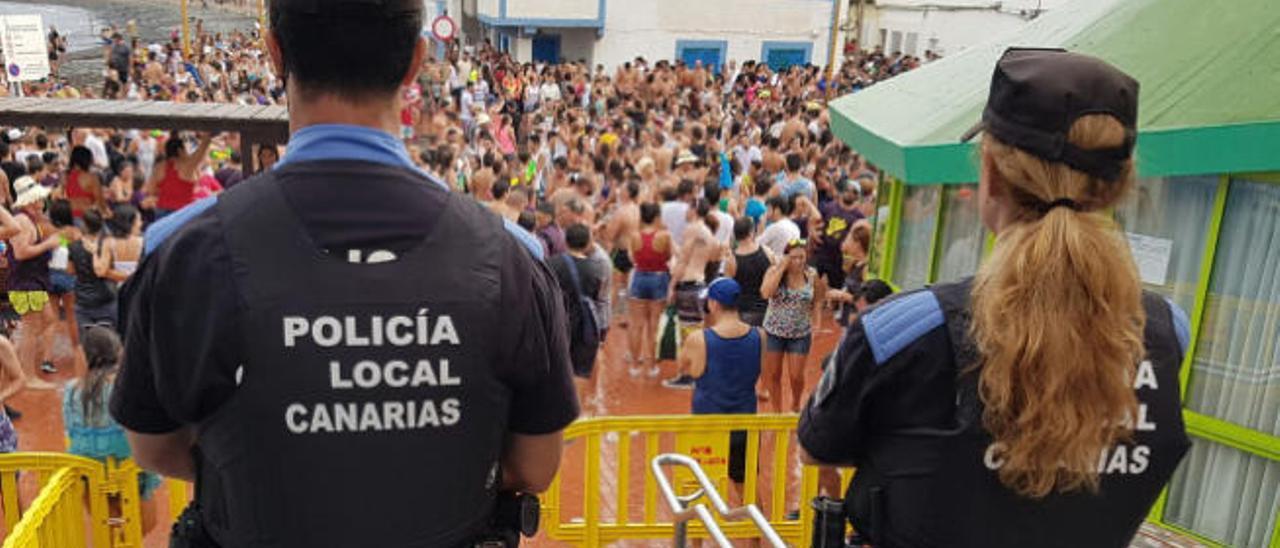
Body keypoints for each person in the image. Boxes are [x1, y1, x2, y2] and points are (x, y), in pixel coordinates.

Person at [110, 1, 578, 545]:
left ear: (274, 52)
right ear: (415, 61)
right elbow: (536, 467)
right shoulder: (512, 258)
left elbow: (154, 447)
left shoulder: (183, 252)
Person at [798, 49, 1191, 547]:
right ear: (1118, 188)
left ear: (992, 174)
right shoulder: (1165, 329)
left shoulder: (907, 329)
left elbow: (818, 447)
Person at [63, 327, 160, 534]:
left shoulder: (71, 391)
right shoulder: (129, 387)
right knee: (145, 523)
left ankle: (118, 534)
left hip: (90, 473)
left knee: (108, 525)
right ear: (119, 353)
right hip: (130, 470)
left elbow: (70, 431)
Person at [679, 278, 765, 501]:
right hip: (744, 424)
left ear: (714, 304)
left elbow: (685, 367)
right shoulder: (759, 336)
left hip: (707, 425)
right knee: (747, 488)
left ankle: (696, 537)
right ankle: (755, 535)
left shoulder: (699, 339)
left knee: (698, 492)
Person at [9, 177, 64, 388]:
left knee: (48, 319)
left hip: (34, 281)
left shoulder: (30, 219)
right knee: (31, 328)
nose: (41, 203)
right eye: (38, 200)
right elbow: (21, 252)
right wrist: (48, 244)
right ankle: (28, 376)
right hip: (26, 282)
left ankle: (13, 354)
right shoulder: (22, 220)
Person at [760, 239, 825, 412]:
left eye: (802, 257)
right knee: (774, 374)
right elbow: (766, 293)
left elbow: (818, 300)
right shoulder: (774, 271)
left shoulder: (811, 275)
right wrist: (781, 267)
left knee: (796, 375)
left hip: (800, 332)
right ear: (786, 257)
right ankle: (777, 411)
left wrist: (817, 324)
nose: (798, 261)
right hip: (774, 331)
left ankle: (796, 403)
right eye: (794, 257)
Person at [663, 200, 722, 389]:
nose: (686, 212)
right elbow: (714, 257)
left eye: (689, 208)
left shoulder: (692, 229)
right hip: (700, 285)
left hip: (687, 286)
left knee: (688, 335)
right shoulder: (708, 233)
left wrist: (671, 286)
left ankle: (688, 376)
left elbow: (682, 261)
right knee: (696, 331)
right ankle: (698, 373)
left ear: (695, 210)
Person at [550, 224, 605, 408]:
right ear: (588, 243)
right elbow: (598, 298)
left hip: (558, 321)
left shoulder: (552, 263)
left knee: (556, 366)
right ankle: (576, 415)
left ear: (566, 241)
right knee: (581, 370)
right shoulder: (596, 269)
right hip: (586, 325)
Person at [626, 203, 671, 378]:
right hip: (659, 278)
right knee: (654, 326)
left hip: (639, 277)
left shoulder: (633, 235)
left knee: (636, 325)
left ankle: (635, 365)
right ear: (657, 217)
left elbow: (632, 257)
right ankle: (652, 366)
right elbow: (668, 257)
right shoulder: (664, 236)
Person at [68, 210, 122, 329]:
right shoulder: (108, 244)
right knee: (109, 341)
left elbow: (70, 270)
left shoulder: (73, 246)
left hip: (83, 300)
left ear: (84, 225)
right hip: (105, 298)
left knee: (88, 342)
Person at [146, 132, 213, 219]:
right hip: (183, 212)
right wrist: (207, 136)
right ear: (180, 151)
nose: (188, 153)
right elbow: (201, 151)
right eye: (186, 150)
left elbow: (150, 190)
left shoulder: (159, 167)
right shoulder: (187, 166)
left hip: (162, 211)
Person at [724, 217, 773, 328]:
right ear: (751, 232)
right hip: (766, 310)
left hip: (743, 313)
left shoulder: (732, 260)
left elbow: (728, 290)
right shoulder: (766, 251)